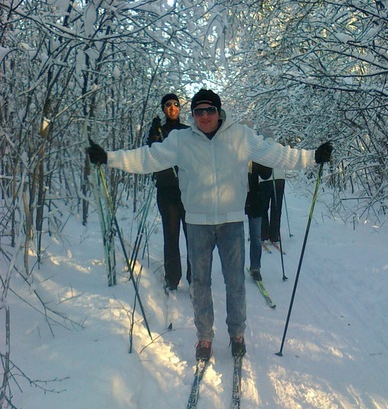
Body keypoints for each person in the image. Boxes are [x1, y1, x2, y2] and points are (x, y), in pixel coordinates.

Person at [87, 88, 332, 361]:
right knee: (200, 284)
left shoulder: (240, 136)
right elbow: (148, 158)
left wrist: (312, 157)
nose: (205, 116)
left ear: (219, 111)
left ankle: (237, 334)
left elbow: (275, 154)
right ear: (193, 115)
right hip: (197, 223)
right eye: (199, 111)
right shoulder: (181, 140)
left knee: (235, 282)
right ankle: (204, 337)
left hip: (231, 222)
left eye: (210, 110)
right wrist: (109, 158)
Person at [147, 93, 190, 291]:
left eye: (175, 104)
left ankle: (195, 278)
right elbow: (150, 154)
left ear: (179, 107)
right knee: (171, 236)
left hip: (188, 191)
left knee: (193, 237)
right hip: (166, 191)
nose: (172, 107)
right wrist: (153, 133)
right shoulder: (159, 130)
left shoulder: (188, 131)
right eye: (168, 105)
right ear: (163, 109)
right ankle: (172, 278)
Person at [259, 130, 286, 251]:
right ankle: (274, 235)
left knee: (263, 208)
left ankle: (263, 234)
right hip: (280, 180)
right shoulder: (279, 147)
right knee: (276, 208)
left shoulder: (260, 147)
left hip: (264, 180)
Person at [245, 162, 272, 282]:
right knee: (235, 237)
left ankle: (255, 268)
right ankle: (234, 266)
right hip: (234, 199)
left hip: (254, 199)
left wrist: (267, 159)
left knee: (256, 236)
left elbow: (266, 174)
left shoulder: (255, 154)